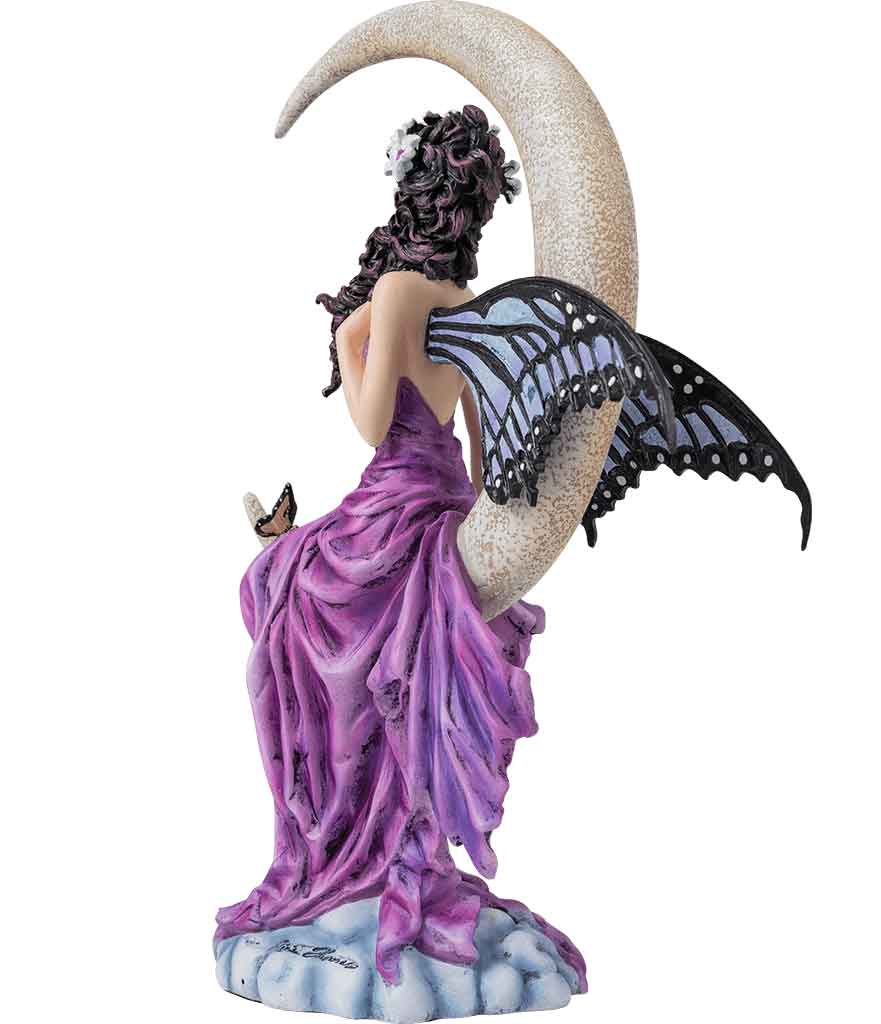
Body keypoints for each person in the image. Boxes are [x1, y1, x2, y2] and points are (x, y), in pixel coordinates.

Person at [214, 105, 586, 989]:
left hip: (393, 499)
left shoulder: (397, 295)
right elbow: (489, 455)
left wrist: (349, 346)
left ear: (413, 195)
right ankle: (377, 833)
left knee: (277, 582)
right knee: (328, 604)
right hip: (450, 505)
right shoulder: (475, 307)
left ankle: (337, 835)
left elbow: (375, 423)